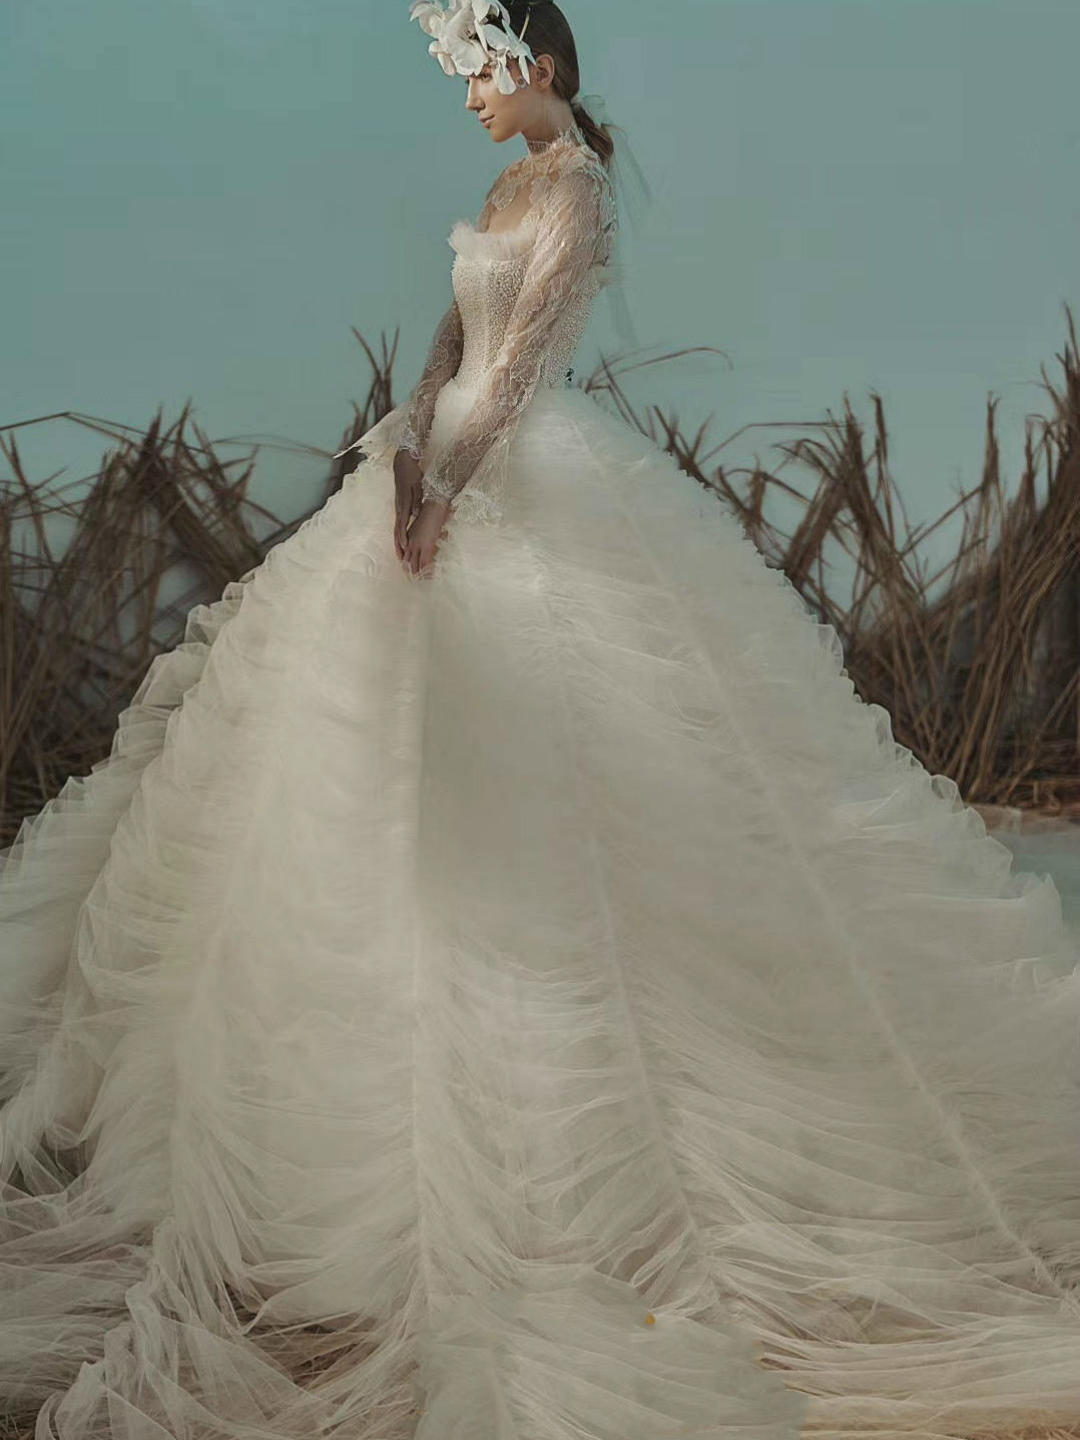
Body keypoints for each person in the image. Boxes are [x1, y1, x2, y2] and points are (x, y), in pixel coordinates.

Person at [1, 1, 1078, 1435]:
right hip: (437, 468)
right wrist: (405, 453)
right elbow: (453, 346)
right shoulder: (508, 184)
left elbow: (518, 368)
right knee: (342, 780)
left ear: (543, 69)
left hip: (522, 488)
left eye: (479, 74)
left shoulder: (573, 190)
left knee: (557, 793)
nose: (468, 100)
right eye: (460, 77)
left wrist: (448, 489)